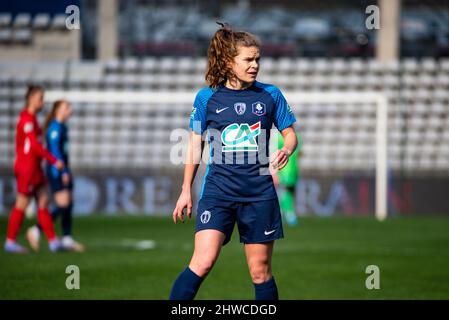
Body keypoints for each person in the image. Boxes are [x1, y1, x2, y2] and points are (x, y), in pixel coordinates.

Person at [169, 24, 298, 300]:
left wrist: (287, 148)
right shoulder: (207, 97)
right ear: (229, 62)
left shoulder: (270, 95)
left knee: (260, 271)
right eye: (248, 60)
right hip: (218, 192)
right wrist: (185, 190)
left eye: (257, 59)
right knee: (202, 262)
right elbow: (195, 144)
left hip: (259, 193)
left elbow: (290, 135)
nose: (255, 65)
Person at [4, 85, 65, 253]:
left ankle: (53, 242)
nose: (42, 102)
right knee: (22, 203)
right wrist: (54, 160)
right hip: (27, 168)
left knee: (44, 200)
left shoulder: (32, 119)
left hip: (35, 168)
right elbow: (35, 146)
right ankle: (10, 242)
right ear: (31, 99)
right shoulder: (26, 119)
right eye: (40, 98)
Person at [26, 100, 85, 252]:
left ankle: (67, 238)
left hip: (64, 169)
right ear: (58, 110)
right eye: (67, 107)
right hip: (56, 171)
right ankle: (36, 230)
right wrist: (63, 171)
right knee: (63, 205)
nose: (70, 109)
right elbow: (54, 151)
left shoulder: (62, 126)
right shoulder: (55, 128)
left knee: (68, 204)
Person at [271, 130, 303, 226]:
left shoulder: (280, 137)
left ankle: (286, 213)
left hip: (287, 169)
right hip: (287, 169)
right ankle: (287, 213)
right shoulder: (295, 136)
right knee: (286, 191)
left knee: (285, 191)